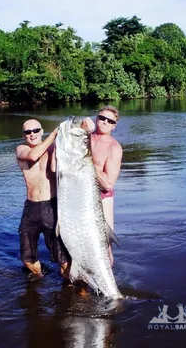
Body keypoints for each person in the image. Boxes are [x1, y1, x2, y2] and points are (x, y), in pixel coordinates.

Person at [16, 118, 69, 278]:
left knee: (63, 258)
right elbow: (33, 156)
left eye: (36, 130)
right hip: (31, 207)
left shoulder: (54, 148)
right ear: (24, 135)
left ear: (41, 131)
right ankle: (40, 275)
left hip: (51, 206)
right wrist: (54, 134)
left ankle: (69, 287)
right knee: (27, 258)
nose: (32, 134)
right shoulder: (21, 149)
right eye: (28, 132)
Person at [82, 106, 123, 266]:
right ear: (96, 118)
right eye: (101, 118)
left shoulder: (114, 147)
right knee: (82, 241)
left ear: (114, 126)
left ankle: (108, 285)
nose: (105, 122)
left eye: (110, 120)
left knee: (104, 244)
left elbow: (108, 183)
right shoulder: (84, 137)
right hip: (81, 195)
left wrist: (87, 160)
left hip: (102, 198)